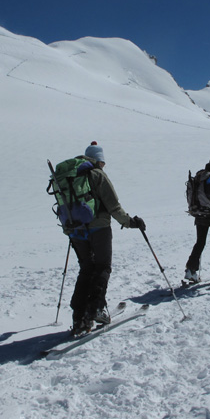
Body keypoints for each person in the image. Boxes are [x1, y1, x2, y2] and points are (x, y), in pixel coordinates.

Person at [66, 142, 145, 335]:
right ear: (99, 160)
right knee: (102, 267)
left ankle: (79, 316)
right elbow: (113, 207)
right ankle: (94, 311)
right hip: (98, 228)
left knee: (86, 269)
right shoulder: (97, 175)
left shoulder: (71, 176)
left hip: (76, 231)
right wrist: (131, 222)